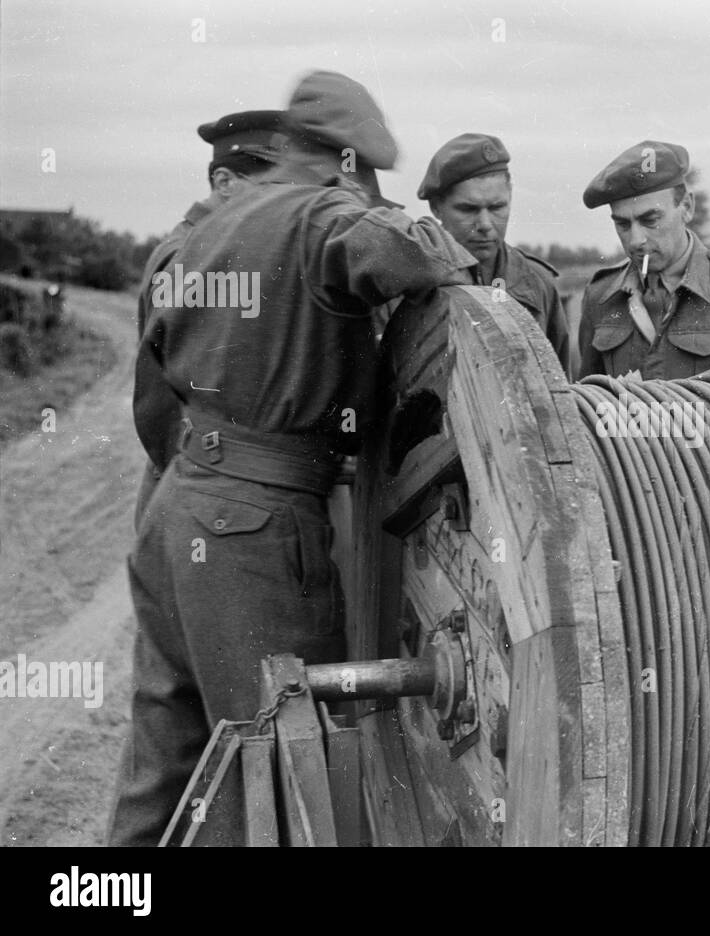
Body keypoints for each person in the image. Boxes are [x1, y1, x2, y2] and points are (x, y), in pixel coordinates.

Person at [108, 70, 478, 846]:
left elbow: (153, 395)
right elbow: (401, 253)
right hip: (257, 529)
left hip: (179, 505)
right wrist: (436, 248)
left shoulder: (210, 221)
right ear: (347, 162)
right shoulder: (323, 214)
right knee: (275, 762)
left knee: (166, 751)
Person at [133, 110, 284, 528]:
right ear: (223, 182)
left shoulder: (223, 249)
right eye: (271, 188)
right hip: (194, 491)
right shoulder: (189, 258)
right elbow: (165, 401)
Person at [577, 140, 710, 380]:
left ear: (687, 207)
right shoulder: (601, 296)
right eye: (623, 224)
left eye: (650, 220)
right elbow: (589, 400)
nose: (636, 240)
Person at [418, 132, 569, 373]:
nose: (485, 224)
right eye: (468, 209)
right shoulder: (411, 281)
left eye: (497, 207)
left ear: (510, 197)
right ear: (436, 207)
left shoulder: (538, 283)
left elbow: (562, 389)